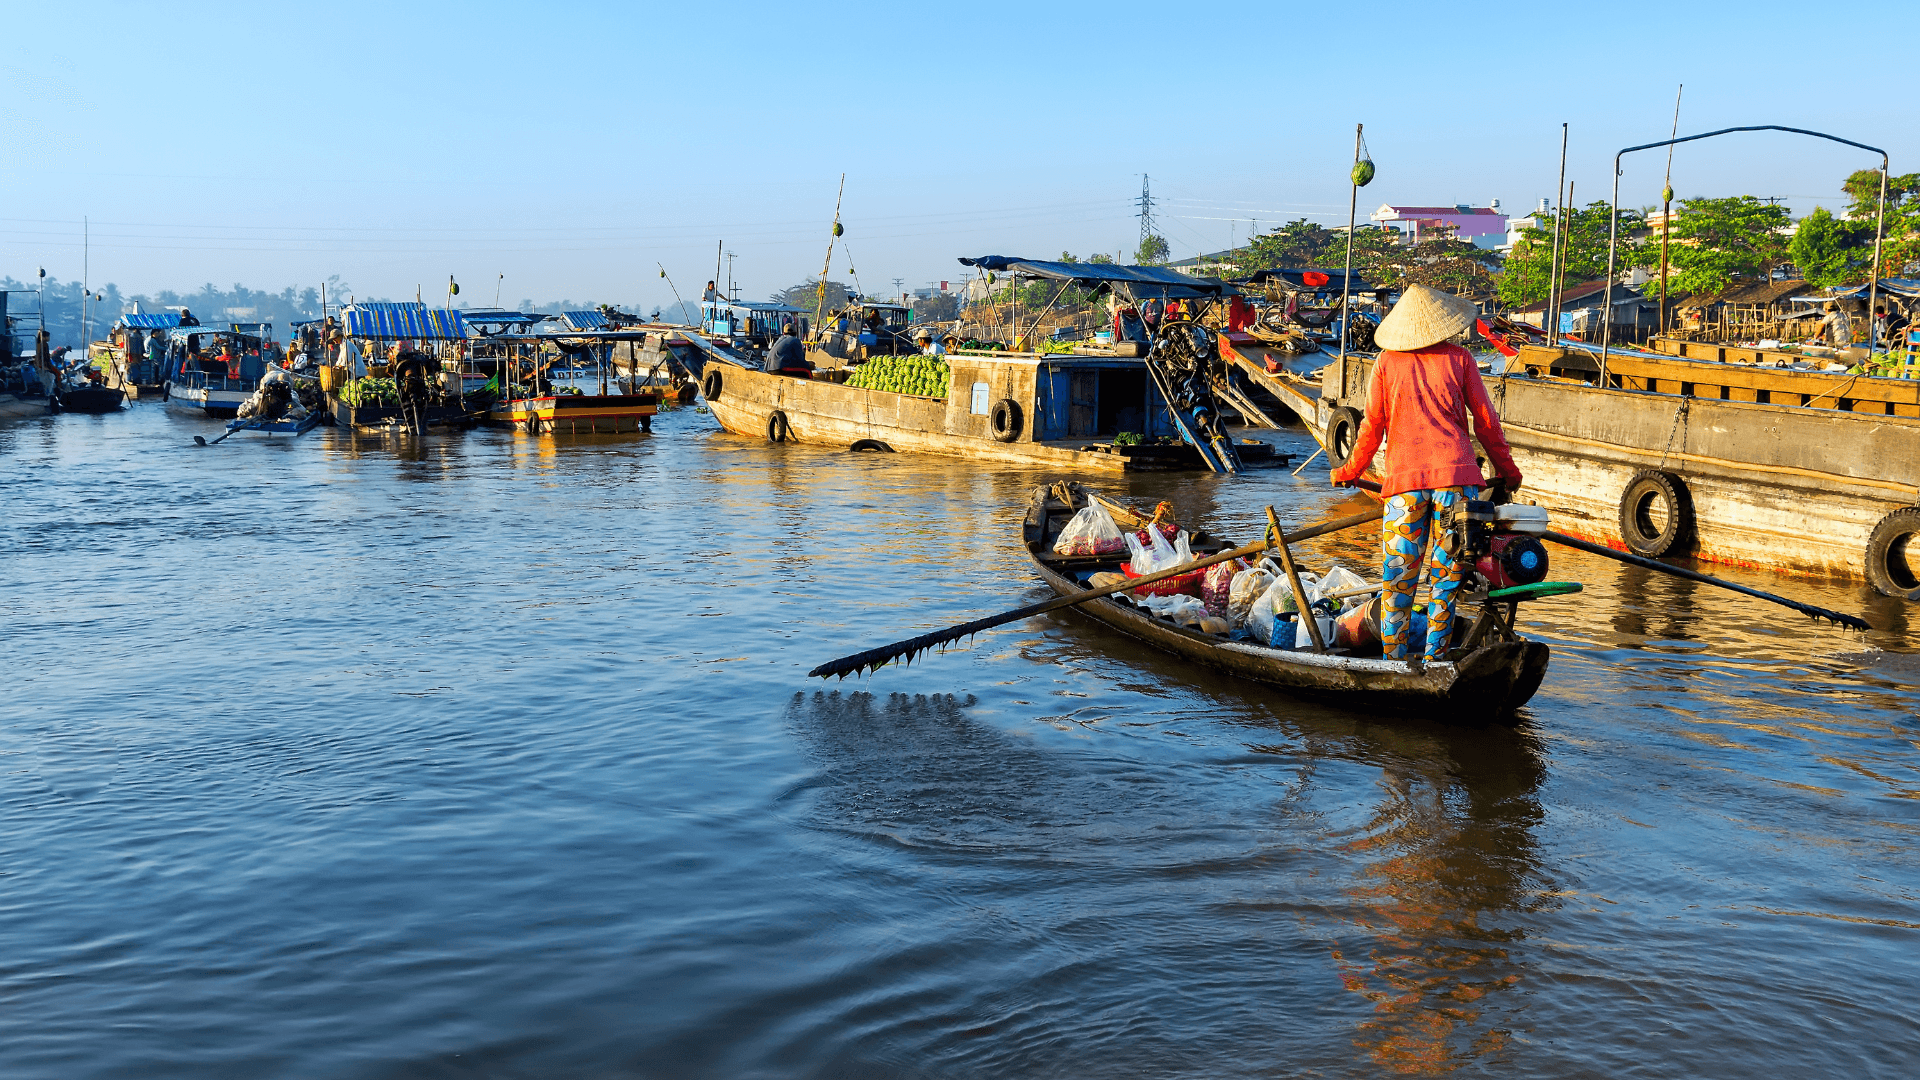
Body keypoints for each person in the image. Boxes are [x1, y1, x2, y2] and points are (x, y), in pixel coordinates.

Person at [1329, 285, 1523, 666]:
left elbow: (1372, 428)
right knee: (1446, 578)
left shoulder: (1386, 363)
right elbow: (1486, 424)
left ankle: (1394, 663)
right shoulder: (1460, 358)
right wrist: (1508, 471)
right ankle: (1435, 661)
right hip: (1457, 481)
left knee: (1399, 580)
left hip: (1405, 487)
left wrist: (1349, 471)